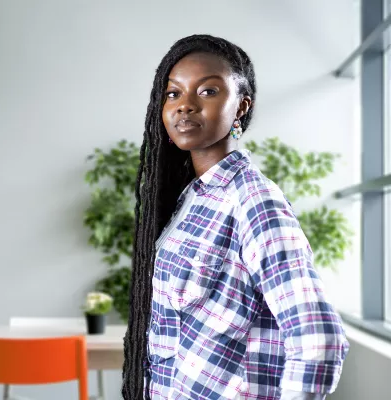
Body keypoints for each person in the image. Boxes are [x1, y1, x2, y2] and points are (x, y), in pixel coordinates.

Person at [122, 34, 349, 400]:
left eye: (208, 92)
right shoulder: (190, 199)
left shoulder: (253, 201)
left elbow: (318, 340)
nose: (185, 106)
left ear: (241, 107)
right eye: (173, 94)